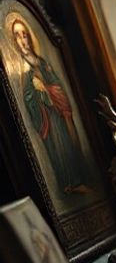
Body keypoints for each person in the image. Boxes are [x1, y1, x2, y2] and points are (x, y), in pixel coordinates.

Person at [8, 15, 87, 196]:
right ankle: (69, 184)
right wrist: (38, 93)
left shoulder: (42, 62)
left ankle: (77, 180)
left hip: (59, 113)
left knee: (68, 145)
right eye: (17, 36)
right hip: (47, 119)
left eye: (24, 35)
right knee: (58, 149)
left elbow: (58, 84)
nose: (22, 40)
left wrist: (51, 90)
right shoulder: (22, 69)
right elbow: (27, 98)